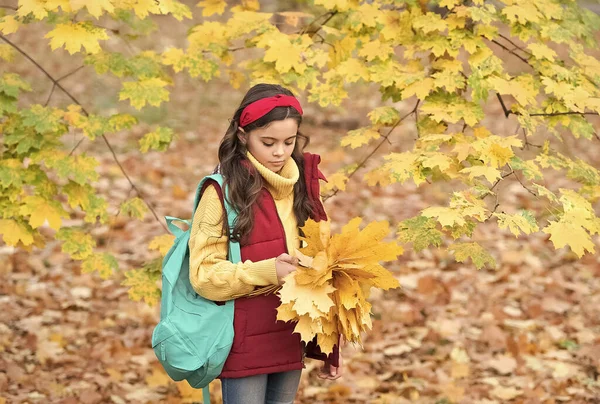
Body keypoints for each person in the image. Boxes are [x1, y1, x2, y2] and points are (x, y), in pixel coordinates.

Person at [188, 83, 342, 404]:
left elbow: (324, 269)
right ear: (243, 135)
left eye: (289, 142)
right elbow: (203, 275)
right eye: (268, 142)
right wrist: (268, 271)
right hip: (243, 337)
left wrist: (330, 343)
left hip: (290, 333)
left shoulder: (304, 185)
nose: (279, 152)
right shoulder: (222, 192)